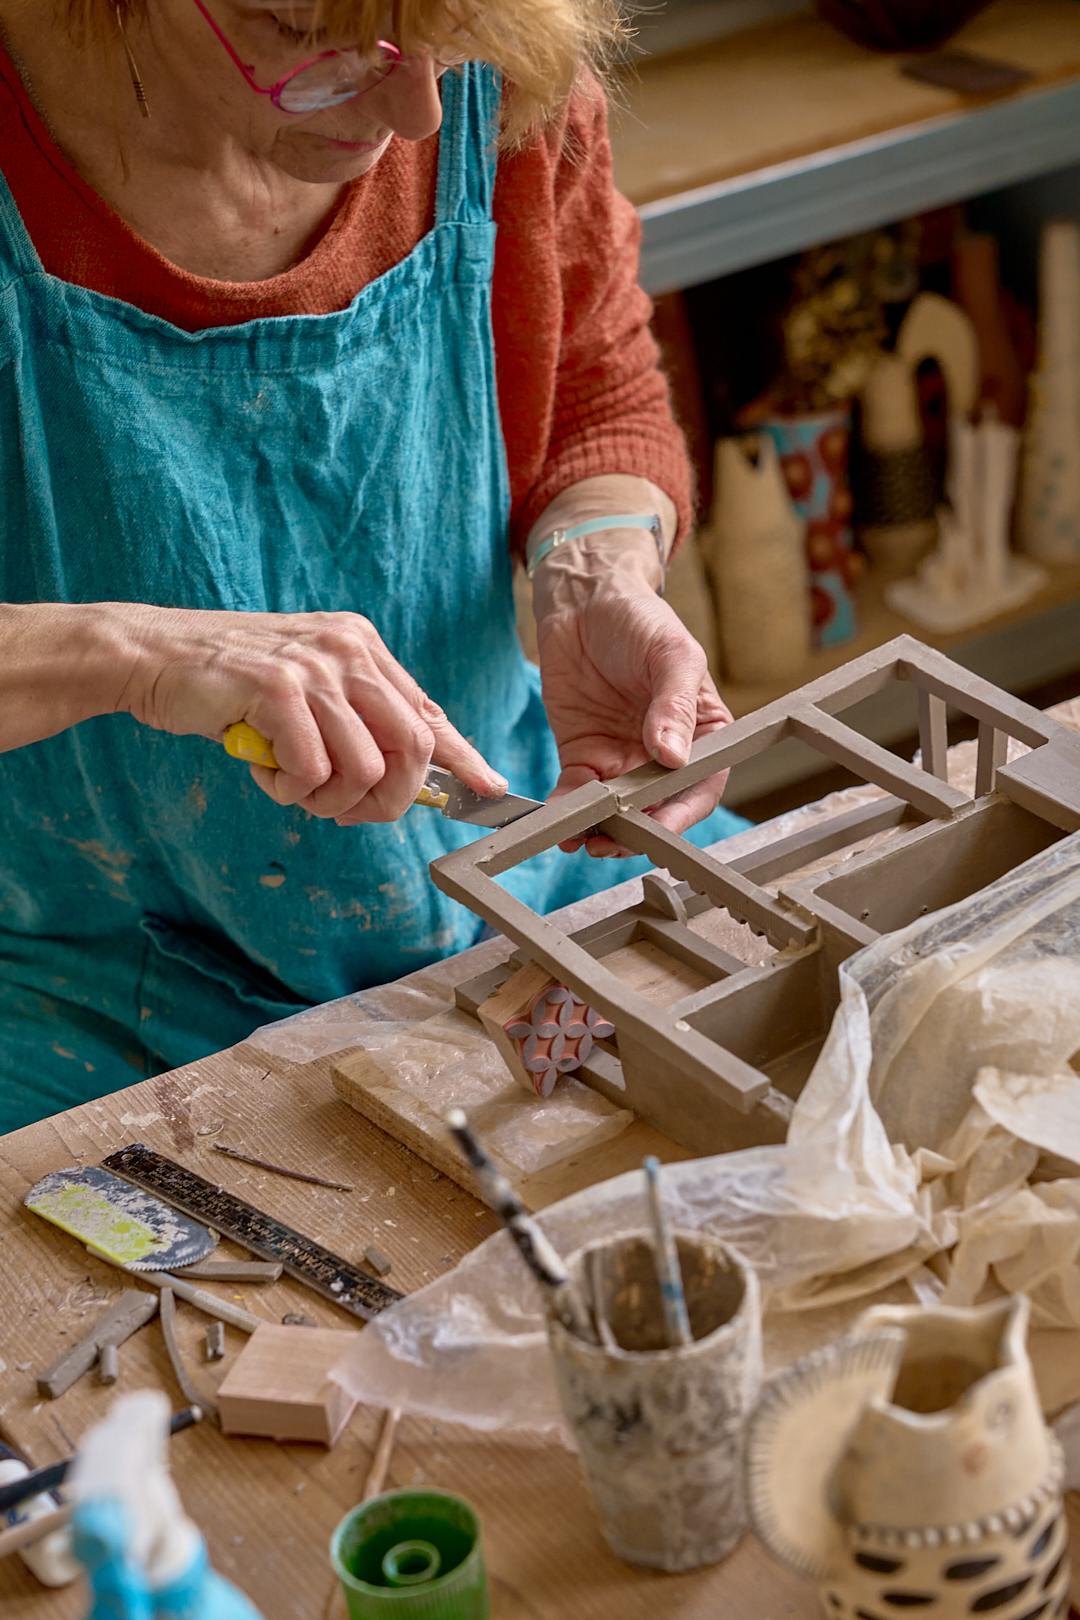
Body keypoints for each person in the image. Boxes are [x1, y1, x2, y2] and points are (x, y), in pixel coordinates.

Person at [0, 0, 742, 1134]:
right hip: (72, 980)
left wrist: (594, 572)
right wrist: (136, 654)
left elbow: (598, 377)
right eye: (313, 34)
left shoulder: (490, 55)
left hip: (512, 864)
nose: (418, 111)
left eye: (444, 45)